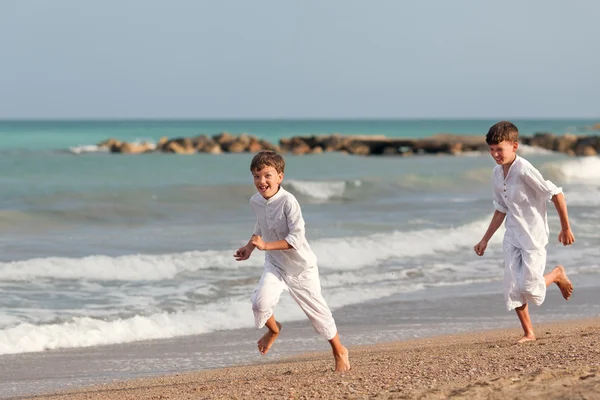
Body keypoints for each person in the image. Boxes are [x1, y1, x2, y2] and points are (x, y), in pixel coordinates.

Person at [234, 150, 350, 372]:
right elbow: (261, 225)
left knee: (318, 314)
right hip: (275, 264)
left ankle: (339, 351)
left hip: (300, 268)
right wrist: (250, 247)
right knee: (260, 303)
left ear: (280, 176)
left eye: (267, 175)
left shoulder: (289, 201)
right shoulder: (255, 201)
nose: (261, 181)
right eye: (256, 176)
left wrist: (266, 245)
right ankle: (274, 330)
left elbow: (296, 238)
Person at [474, 121, 575, 343]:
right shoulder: (496, 173)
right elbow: (501, 208)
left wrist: (565, 227)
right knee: (512, 287)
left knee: (530, 287)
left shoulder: (524, 169)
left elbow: (556, 193)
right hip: (512, 235)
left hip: (533, 236)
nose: (495, 154)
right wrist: (484, 240)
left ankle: (557, 274)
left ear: (514, 146)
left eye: (499, 149)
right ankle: (529, 333)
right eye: (491, 150)